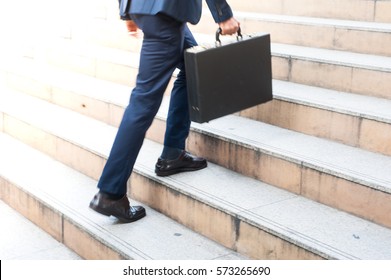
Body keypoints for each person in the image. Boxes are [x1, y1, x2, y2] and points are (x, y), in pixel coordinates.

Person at [89, 0, 240, 223]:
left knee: (192, 67)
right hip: (166, 14)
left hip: (150, 10)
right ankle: (110, 193)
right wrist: (223, 15)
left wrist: (128, 12)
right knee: (143, 103)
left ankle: (172, 154)